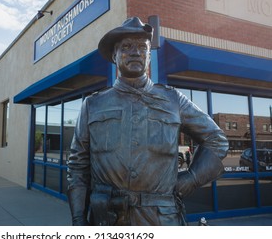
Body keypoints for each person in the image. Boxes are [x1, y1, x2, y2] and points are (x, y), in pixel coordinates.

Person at [67, 17, 228, 226]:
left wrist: (191, 178)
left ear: (149, 57)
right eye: (126, 47)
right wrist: (78, 220)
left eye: (142, 48)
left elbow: (216, 140)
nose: (135, 52)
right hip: (107, 220)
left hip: (162, 219)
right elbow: (78, 166)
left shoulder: (173, 100)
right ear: (114, 56)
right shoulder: (93, 105)